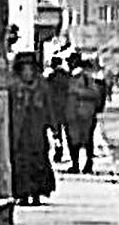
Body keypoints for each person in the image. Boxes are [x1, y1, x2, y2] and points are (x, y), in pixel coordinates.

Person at [8, 52, 56, 206]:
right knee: (21, 163)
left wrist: (53, 127)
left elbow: (49, 106)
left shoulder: (42, 85)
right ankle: (22, 194)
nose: (27, 72)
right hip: (19, 132)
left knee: (38, 162)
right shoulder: (13, 87)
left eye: (30, 69)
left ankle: (36, 193)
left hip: (37, 131)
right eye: (24, 69)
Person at [65, 58, 107, 175]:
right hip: (80, 113)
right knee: (82, 139)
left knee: (81, 139)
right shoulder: (91, 79)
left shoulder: (84, 79)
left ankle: (81, 164)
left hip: (81, 112)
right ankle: (81, 164)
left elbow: (96, 95)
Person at [43, 56, 73, 167]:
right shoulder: (67, 76)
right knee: (69, 134)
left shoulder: (49, 77)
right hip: (67, 107)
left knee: (56, 133)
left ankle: (58, 152)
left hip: (54, 108)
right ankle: (73, 157)